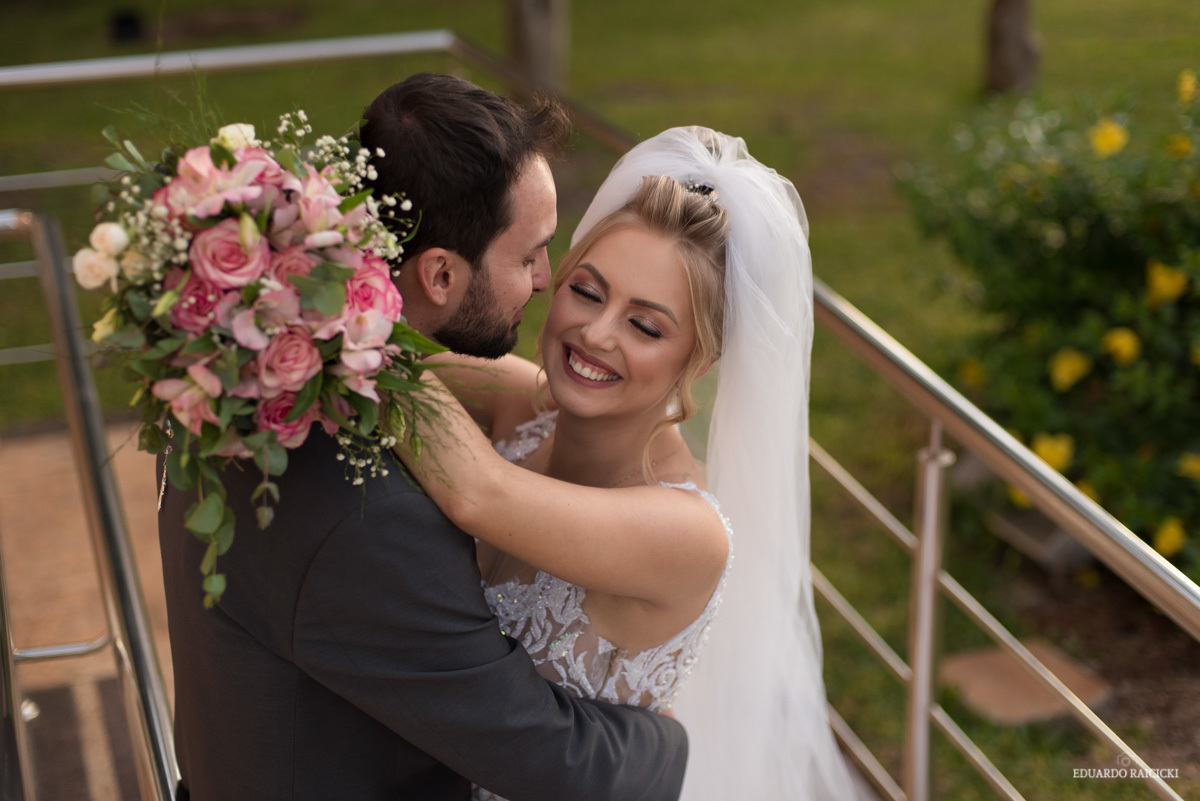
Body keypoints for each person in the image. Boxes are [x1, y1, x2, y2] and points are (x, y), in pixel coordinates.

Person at [157, 73, 688, 801]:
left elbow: (491, 382)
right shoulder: (370, 515)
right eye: (529, 254)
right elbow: (556, 762)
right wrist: (669, 738)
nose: (544, 279)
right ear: (439, 274)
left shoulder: (240, 364)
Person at [395, 127, 859, 800]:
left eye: (645, 326)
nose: (595, 333)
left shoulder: (686, 533)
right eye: (587, 291)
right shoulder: (527, 405)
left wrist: (338, 327)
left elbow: (476, 493)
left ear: (699, 360)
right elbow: (403, 356)